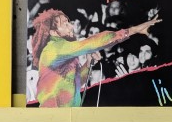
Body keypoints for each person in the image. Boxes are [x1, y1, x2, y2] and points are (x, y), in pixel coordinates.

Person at [31, 8, 161, 107]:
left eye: (69, 22)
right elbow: (94, 42)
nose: (71, 26)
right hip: (54, 116)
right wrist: (133, 30)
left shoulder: (64, 50)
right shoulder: (54, 48)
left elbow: (76, 82)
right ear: (54, 32)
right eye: (65, 24)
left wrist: (88, 64)